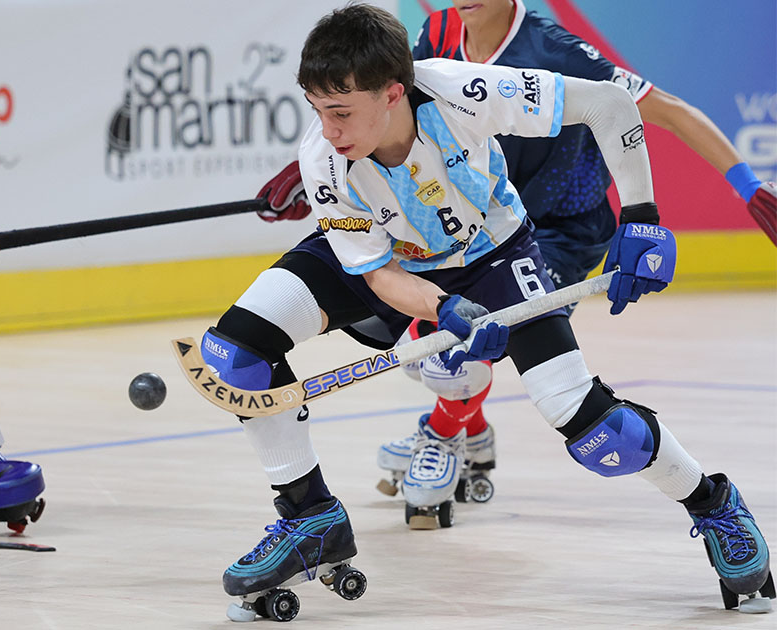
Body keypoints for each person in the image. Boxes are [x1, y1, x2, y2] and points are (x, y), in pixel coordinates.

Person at [206, 4, 772, 617]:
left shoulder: (464, 92)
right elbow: (378, 276)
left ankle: (714, 503)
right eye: (317, 110)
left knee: (594, 427)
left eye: (341, 112)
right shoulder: (325, 158)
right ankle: (310, 516)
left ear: (394, 92)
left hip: (495, 254)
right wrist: (445, 309)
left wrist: (641, 218)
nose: (328, 130)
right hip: (396, 259)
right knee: (237, 352)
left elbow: (610, 105)